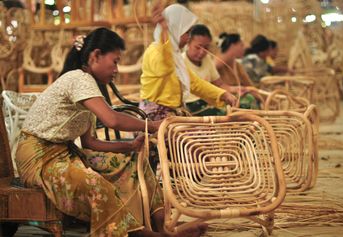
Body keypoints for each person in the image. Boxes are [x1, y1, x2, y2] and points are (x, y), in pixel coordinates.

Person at [15, 27, 207, 237]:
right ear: (96, 56)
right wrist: (152, 125)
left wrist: (128, 147)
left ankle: (164, 228)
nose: (116, 69)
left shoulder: (89, 87)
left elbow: (89, 142)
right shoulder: (78, 79)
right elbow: (112, 120)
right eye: (115, 61)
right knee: (96, 185)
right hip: (38, 159)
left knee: (135, 163)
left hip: (63, 154)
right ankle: (146, 235)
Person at [139, 4, 237, 120]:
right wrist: (165, 31)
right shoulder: (155, 52)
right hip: (154, 118)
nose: (188, 38)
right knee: (202, 135)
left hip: (172, 114)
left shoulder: (175, 57)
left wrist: (222, 94)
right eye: (186, 33)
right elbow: (164, 65)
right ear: (174, 29)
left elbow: (194, 82)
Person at [182, 24, 243, 116]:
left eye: (206, 47)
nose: (202, 52)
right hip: (191, 104)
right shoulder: (181, 62)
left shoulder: (207, 59)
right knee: (229, 114)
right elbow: (197, 86)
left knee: (244, 103)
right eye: (198, 47)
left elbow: (219, 84)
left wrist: (238, 90)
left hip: (208, 100)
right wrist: (224, 94)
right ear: (188, 43)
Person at [216, 32, 260, 109]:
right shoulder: (217, 63)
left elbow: (249, 85)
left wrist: (255, 93)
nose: (244, 48)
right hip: (224, 102)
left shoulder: (237, 65)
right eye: (241, 45)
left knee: (252, 98)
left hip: (239, 98)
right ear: (233, 46)